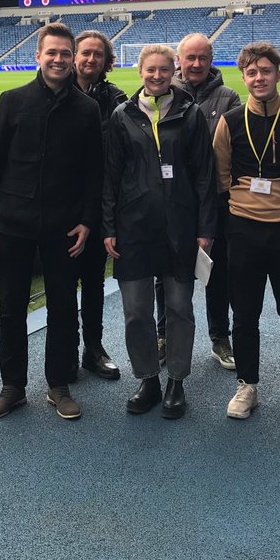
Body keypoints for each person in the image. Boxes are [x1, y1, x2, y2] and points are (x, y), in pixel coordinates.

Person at [0, 22, 103, 421]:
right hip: (13, 223)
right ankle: (13, 387)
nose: (60, 59)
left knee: (63, 308)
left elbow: (94, 171)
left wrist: (87, 220)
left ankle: (58, 385)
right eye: (53, 53)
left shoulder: (87, 108)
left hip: (64, 226)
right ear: (38, 56)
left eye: (66, 53)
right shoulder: (11, 101)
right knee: (11, 307)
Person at [103, 45, 216, 418]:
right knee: (136, 312)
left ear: (174, 72)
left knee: (179, 308)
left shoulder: (191, 113)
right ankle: (148, 377)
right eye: (150, 70)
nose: (157, 76)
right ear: (140, 72)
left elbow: (204, 174)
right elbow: (111, 176)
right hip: (134, 227)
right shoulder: (123, 116)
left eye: (164, 70)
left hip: (180, 226)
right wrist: (109, 227)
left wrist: (204, 227)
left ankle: (176, 381)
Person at [212, 41, 280, 423]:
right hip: (243, 230)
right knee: (245, 313)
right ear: (244, 77)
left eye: (266, 71)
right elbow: (221, 176)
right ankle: (247, 384)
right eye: (252, 72)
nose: (260, 78)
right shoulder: (229, 121)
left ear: (278, 74)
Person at [154, 32, 240, 371]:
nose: (196, 64)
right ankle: (164, 335)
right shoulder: (162, 95)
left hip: (214, 203)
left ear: (211, 59)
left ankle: (220, 337)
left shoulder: (228, 97)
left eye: (202, 57)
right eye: (190, 57)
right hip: (170, 204)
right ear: (179, 59)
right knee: (166, 274)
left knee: (216, 273)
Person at [70, 30, 127, 381]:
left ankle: (93, 348)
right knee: (62, 286)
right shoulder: (55, 93)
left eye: (98, 55)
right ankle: (64, 350)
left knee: (93, 284)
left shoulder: (117, 99)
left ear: (106, 61)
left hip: (100, 205)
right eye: (85, 53)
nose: (91, 60)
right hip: (61, 207)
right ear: (75, 56)